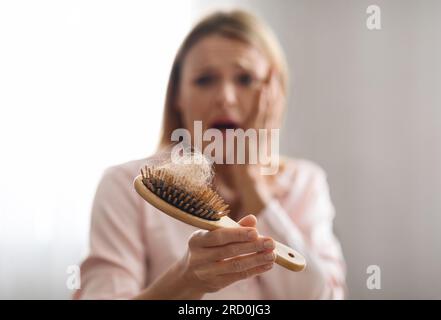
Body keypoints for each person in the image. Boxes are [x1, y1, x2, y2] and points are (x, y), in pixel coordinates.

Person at [74, 9, 346, 300]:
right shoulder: (124, 186)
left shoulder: (305, 183)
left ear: (274, 93)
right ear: (178, 95)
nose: (225, 96)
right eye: (205, 79)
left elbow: (326, 296)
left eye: (244, 79)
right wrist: (186, 280)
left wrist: (250, 179)